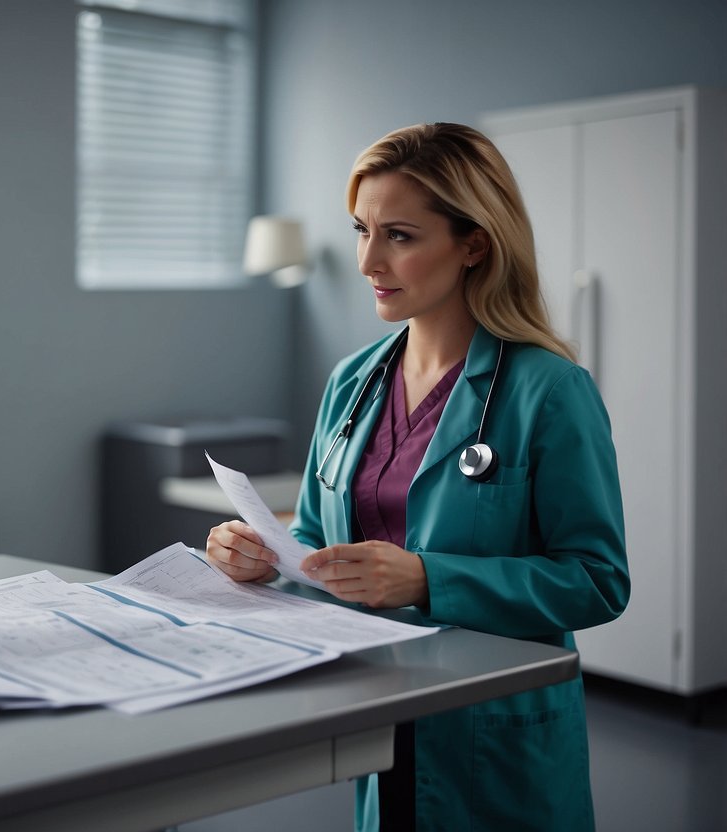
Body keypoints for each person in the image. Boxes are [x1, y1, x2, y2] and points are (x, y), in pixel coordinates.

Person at [206, 123, 630, 831]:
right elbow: (314, 533)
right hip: (371, 710)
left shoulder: (548, 391)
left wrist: (427, 579)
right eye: (360, 230)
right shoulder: (352, 381)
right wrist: (262, 555)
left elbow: (595, 579)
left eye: (399, 235)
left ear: (473, 244)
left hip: (487, 731)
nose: (369, 259)